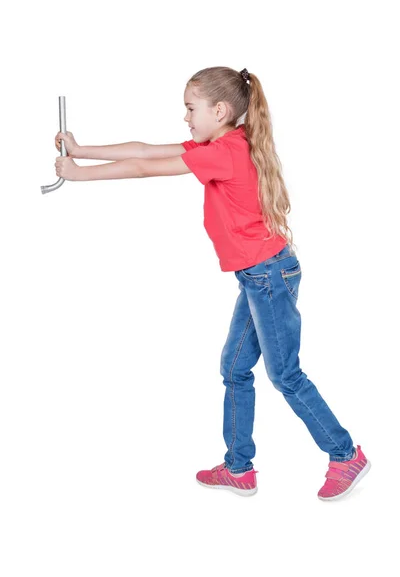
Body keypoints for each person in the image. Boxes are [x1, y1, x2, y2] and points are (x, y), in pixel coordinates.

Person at [54, 66, 371, 501]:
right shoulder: (224, 143)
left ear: (219, 110)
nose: (185, 117)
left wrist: (78, 174)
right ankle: (239, 468)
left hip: (268, 277)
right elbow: (146, 149)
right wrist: (81, 149)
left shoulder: (223, 151)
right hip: (260, 275)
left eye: (190, 108)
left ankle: (344, 453)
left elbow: (147, 168)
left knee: (286, 375)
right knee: (236, 368)